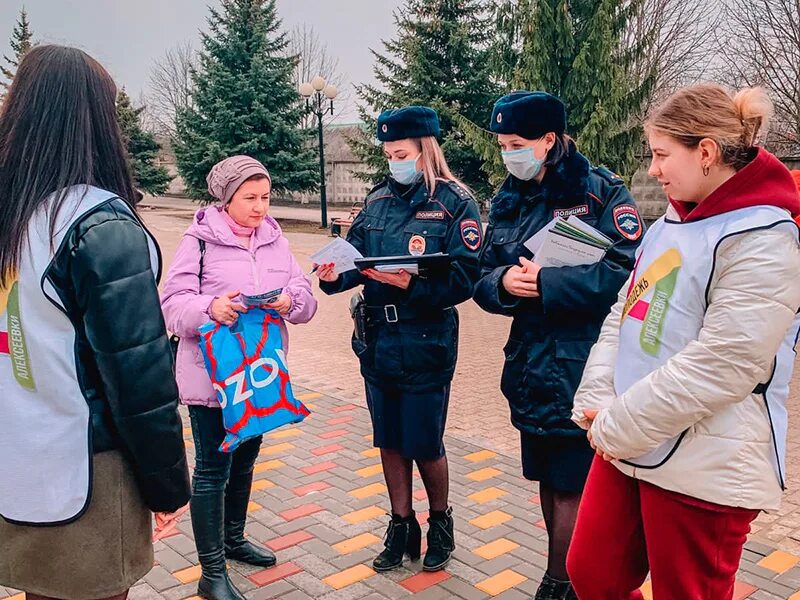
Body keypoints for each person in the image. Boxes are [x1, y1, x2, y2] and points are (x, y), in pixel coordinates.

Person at [566, 84, 800, 599]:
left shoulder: (765, 237)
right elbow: (624, 313)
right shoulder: (672, 222)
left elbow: (727, 363)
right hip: (629, 432)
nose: (653, 170)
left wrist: (617, 423)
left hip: (708, 458)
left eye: (661, 154)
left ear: (707, 153)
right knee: (593, 573)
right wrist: (598, 397)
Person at [0, 45, 191, 600]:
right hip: (87, 468)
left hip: (17, 456)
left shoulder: (16, 217)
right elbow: (140, 379)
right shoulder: (96, 224)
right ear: (95, 120)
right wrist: (166, 485)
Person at [472, 91, 643, 599]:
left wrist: (549, 283)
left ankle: (559, 582)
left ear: (549, 140)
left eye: (518, 144)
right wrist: (505, 283)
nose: (509, 154)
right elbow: (481, 276)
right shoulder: (508, 197)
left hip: (580, 360)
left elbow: (626, 274)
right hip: (528, 364)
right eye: (503, 145)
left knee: (574, 481)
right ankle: (563, 576)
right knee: (548, 477)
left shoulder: (600, 192)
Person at [315, 106, 482, 573]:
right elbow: (356, 263)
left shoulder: (455, 202)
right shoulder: (376, 202)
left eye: (402, 153)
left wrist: (414, 285)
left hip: (426, 338)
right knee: (388, 438)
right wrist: (333, 276)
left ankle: (441, 523)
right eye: (388, 154)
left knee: (424, 442)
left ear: (425, 151)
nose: (394, 161)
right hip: (378, 338)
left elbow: (467, 278)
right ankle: (400, 525)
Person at [161, 155, 317, 600]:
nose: (260, 207)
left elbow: (304, 297)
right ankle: (211, 574)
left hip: (261, 375)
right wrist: (210, 307)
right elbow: (173, 303)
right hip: (211, 379)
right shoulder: (199, 241)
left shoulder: (275, 239)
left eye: (265, 197)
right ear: (226, 198)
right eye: (250, 198)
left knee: (246, 459)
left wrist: (289, 302)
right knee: (213, 468)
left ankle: (233, 538)